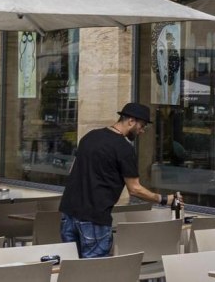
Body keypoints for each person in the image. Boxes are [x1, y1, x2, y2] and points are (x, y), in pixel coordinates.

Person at [59, 103, 181, 258]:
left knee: (71, 270)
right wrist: (164, 199)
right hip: (94, 218)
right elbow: (135, 189)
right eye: (141, 126)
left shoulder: (90, 136)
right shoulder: (124, 148)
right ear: (131, 121)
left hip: (68, 213)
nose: (142, 131)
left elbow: (73, 170)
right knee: (94, 271)